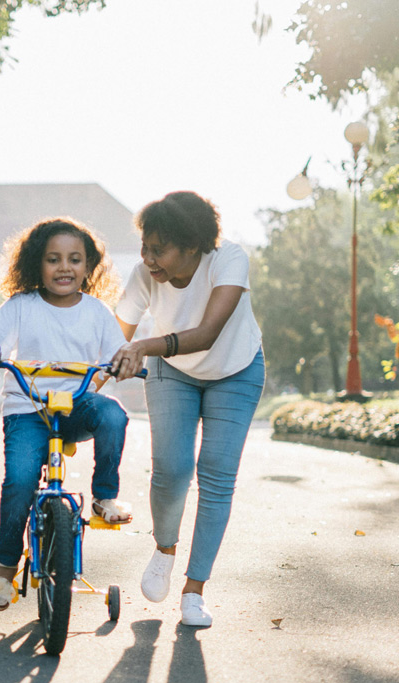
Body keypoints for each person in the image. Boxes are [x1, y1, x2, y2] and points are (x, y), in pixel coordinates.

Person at [0, 218, 132, 610]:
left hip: (75, 406)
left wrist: (124, 364)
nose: (64, 268)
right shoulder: (21, 306)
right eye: (53, 259)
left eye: (75, 259)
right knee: (20, 481)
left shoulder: (97, 312)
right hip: (27, 411)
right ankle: (4, 570)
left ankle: (105, 497)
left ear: (89, 267)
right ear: (38, 264)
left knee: (114, 416)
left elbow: (117, 354)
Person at [111, 191, 264, 627]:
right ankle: (164, 548)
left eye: (158, 249)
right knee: (172, 468)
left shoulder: (228, 260)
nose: (148, 258)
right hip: (172, 372)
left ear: (192, 246)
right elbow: (113, 337)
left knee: (216, 473)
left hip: (235, 369)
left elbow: (209, 332)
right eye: (145, 246)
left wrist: (142, 345)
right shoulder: (145, 275)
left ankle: (195, 590)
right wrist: (89, 380)